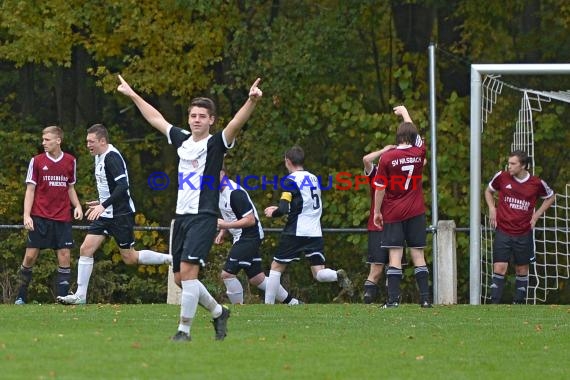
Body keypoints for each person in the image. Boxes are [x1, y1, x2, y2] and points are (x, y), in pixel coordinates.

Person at [116, 75, 263, 342]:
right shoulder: (182, 140)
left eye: (202, 116)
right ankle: (219, 312)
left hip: (204, 217)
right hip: (182, 218)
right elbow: (156, 119)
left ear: (211, 120)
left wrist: (250, 102)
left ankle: (184, 330)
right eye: (193, 115)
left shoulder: (216, 143)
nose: (196, 119)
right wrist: (132, 94)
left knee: (188, 272)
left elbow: (236, 124)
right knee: (180, 279)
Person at [57, 124, 172, 305]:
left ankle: (170, 259)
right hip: (105, 214)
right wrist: (100, 202)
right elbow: (109, 187)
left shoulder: (112, 158)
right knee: (85, 249)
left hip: (120, 214)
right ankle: (80, 296)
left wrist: (103, 205)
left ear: (102, 141)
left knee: (130, 258)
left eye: (91, 141)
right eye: (87, 141)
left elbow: (123, 186)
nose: (88, 145)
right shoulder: (98, 156)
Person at [263, 145, 354, 304]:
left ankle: (267, 307)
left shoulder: (290, 180)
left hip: (296, 231)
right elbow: (302, 203)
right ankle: (336, 275)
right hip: (315, 232)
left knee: (276, 267)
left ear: (288, 161)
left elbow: (284, 208)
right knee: (318, 273)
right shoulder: (314, 179)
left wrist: (274, 212)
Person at [15, 126, 83, 305]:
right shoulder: (36, 161)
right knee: (30, 256)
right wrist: (26, 215)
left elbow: (70, 187)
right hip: (40, 216)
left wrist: (77, 206)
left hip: (62, 217)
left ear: (58, 140)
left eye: (47, 140)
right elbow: (30, 190)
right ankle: (20, 296)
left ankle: (62, 299)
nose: (43, 143)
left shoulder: (70, 161)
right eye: (43, 139)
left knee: (64, 255)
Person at [373, 105, 432, 308]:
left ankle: (393, 301)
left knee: (395, 255)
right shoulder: (419, 152)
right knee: (418, 254)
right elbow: (414, 133)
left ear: (398, 137)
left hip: (394, 211)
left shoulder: (387, 158)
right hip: (416, 211)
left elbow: (380, 188)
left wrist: (376, 211)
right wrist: (406, 112)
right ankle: (425, 300)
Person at [215, 167, 300, 305]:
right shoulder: (219, 192)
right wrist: (223, 231)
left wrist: (225, 225)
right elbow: (231, 214)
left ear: (222, 173)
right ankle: (294, 303)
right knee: (257, 278)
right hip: (242, 236)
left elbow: (250, 220)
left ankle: (238, 310)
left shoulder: (235, 193)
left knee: (227, 274)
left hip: (250, 235)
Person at [485, 150, 555, 304]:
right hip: (503, 230)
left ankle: (519, 304)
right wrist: (492, 208)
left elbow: (550, 197)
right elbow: (488, 191)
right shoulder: (502, 177)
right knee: (499, 267)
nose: (509, 166)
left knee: (521, 269)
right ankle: (493, 305)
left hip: (523, 232)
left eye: (513, 163)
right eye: (508, 163)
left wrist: (536, 216)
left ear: (523, 166)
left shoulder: (536, 183)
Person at [361, 144, 395, 304]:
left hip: (396, 225)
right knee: (376, 268)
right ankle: (367, 300)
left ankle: (392, 300)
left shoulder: (400, 175)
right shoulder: (375, 173)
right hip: (377, 227)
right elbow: (366, 159)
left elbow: (421, 162)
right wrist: (384, 150)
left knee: (395, 267)